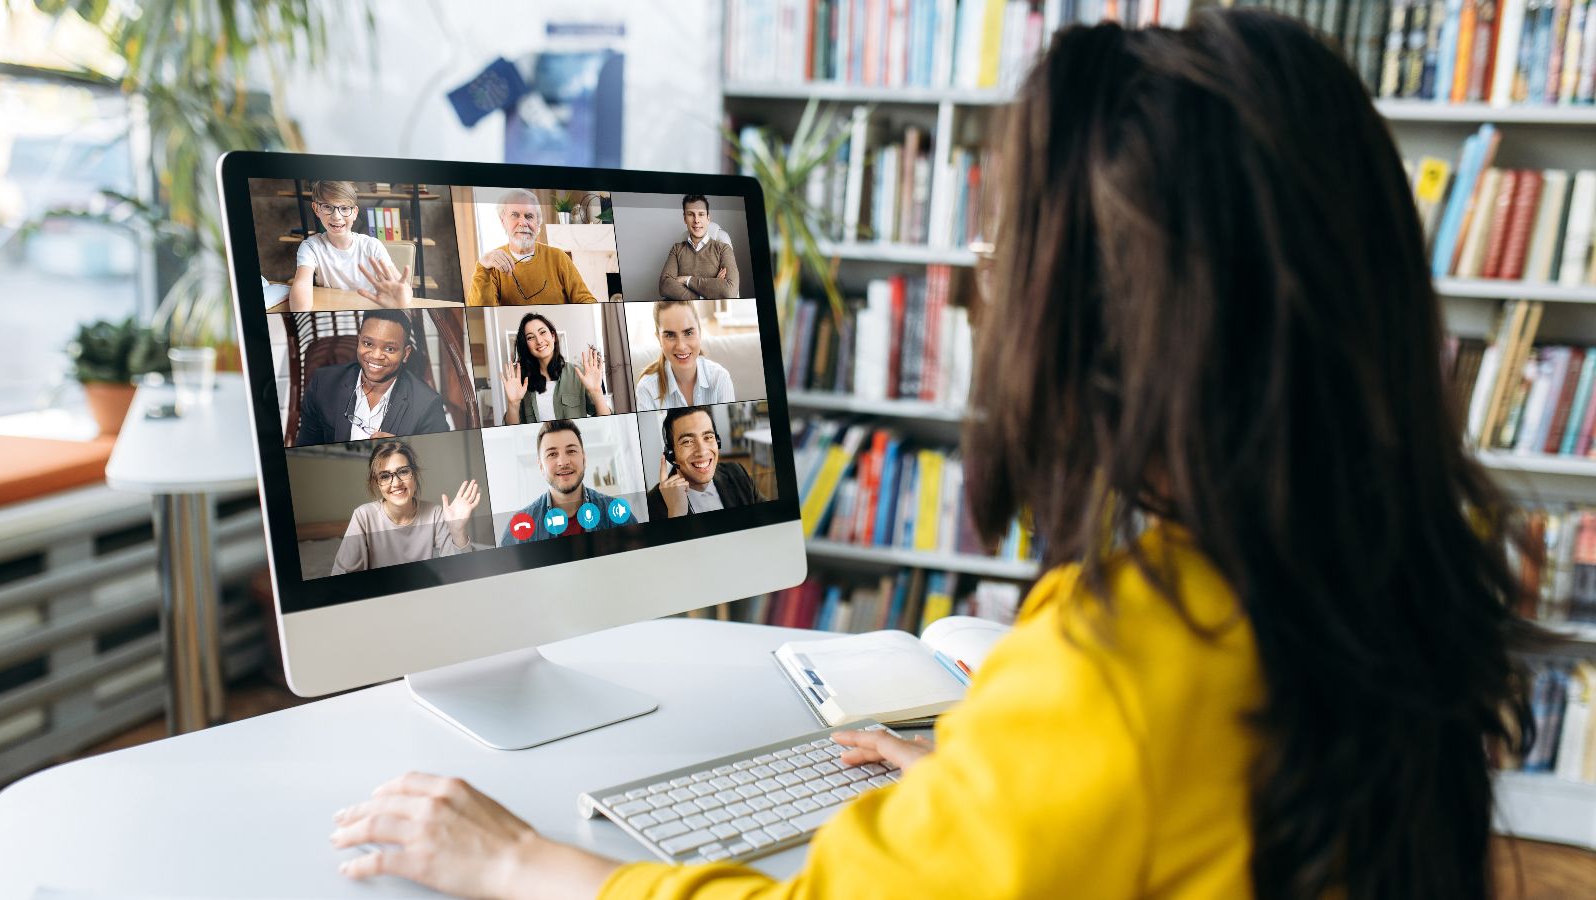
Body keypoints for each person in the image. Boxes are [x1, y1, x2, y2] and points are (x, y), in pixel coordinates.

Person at [331, 12, 1536, 899]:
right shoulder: (1397, 565)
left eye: (1006, 243)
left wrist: (521, 860)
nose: (978, 278)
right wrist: (998, 793)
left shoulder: (1121, 668)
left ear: (1119, 328)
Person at [294, 310, 451, 446]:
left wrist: (403, 451)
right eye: (368, 344)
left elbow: (439, 462)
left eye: (389, 348)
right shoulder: (323, 383)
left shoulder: (428, 404)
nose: (376, 355)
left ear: (406, 353)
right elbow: (305, 448)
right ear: (359, 341)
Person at [329, 440, 481, 575]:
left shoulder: (434, 513)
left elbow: (463, 570)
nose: (396, 483)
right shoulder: (363, 516)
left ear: (414, 475)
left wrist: (457, 531)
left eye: (403, 471)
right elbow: (341, 576)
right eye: (385, 476)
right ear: (376, 483)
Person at [497, 420, 624, 546]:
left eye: (571, 451)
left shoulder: (617, 513)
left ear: (584, 459)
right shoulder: (519, 529)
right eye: (552, 454)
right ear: (541, 466)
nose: (563, 462)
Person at [288, 180, 409, 310]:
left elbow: (403, 288)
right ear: (316, 209)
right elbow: (301, 286)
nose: (336, 216)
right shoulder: (310, 247)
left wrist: (403, 298)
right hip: (333, 315)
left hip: (368, 313)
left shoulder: (372, 246)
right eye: (327, 207)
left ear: (355, 213)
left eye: (345, 208)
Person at [470, 190, 598, 305]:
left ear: (538, 224)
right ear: (503, 221)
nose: (523, 222)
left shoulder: (558, 257)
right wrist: (483, 266)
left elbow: (586, 300)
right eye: (515, 215)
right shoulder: (492, 265)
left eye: (529, 216)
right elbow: (481, 312)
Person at [646, 406, 763, 520]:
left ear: (717, 442)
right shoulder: (651, 503)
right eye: (687, 441)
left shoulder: (737, 472)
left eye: (708, 437)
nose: (702, 452)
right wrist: (676, 514)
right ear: (671, 454)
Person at [500, 312, 611, 425]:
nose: (539, 341)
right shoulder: (522, 383)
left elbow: (607, 424)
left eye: (542, 332)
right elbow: (513, 430)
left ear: (553, 336)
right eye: (530, 337)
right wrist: (513, 404)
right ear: (526, 345)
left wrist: (597, 392)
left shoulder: (578, 374)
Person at [634, 300, 735, 411]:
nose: (681, 346)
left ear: (700, 332)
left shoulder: (720, 379)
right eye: (670, 335)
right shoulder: (647, 389)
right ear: (659, 338)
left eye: (688, 333)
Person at [659, 194, 740, 300]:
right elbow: (665, 286)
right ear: (685, 219)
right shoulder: (677, 249)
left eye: (701, 214)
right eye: (691, 214)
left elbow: (729, 291)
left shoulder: (723, 249)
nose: (696, 220)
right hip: (682, 313)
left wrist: (686, 280)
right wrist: (709, 292)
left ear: (708, 218)